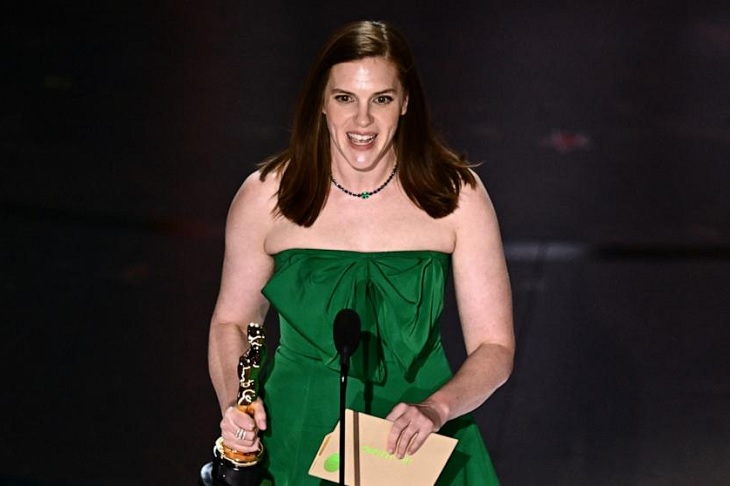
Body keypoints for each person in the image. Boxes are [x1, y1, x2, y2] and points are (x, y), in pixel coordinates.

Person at [207, 19, 514, 485]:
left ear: (406, 102)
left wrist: (436, 408)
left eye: (382, 99)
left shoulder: (456, 196)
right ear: (321, 103)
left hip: (415, 442)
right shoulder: (267, 197)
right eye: (345, 98)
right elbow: (232, 322)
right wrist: (238, 404)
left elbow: (495, 348)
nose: (363, 121)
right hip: (296, 436)